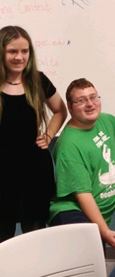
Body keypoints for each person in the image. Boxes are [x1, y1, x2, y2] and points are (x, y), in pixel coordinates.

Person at [49, 73, 115, 258]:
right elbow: (83, 195)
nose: (90, 104)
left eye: (93, 97)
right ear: (70, 107)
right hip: (71, 214)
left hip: (93, 218)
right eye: (81, 101)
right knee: (83, 269)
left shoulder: (105, 121)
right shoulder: (69, 145)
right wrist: (104, 231)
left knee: (93, 269)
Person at [0, 26, 67, 243]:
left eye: (25, 51)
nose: (19, 57)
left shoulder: (38, 80)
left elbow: (60, 110)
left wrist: (48, 136)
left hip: (34, 170)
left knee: (35, 231)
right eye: (12, 51)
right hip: (3, 171)